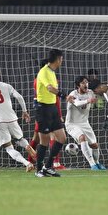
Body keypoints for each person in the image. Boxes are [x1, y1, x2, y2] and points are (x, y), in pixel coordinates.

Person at [0, 66, 36, 172]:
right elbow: (19, 97)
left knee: (9, 148)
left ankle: (27, 163)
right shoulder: (6, 86)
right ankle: (27, 146)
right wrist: (24, 111)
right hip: (12, 118)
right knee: (20, 139)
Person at [34, 49, 74, 177]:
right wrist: (64, 95)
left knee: (62, 138)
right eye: (61, 59)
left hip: (52, 108)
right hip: (43, 108)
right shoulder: (44, 71)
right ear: (58, 59)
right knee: (44, 141)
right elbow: (50, 88)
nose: (62, 61)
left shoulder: (52, 72)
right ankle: (39, 169)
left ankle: (48, 166)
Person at [28, 59, 66, 170]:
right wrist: (58, 113)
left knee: (42, 138)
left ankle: (38, 163)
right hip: (44, 110)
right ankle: (51, 164)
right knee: (45, 138)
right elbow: (53, 96)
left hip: (44, 109)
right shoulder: (43, 78)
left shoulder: (37, 79)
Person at [66, 76, 106, 170]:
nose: (86, 84)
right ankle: (92, 164)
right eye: (83, 83)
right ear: (78, 85)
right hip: (72, 124)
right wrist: (88, 101)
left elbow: (100, 91)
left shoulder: (91, 93)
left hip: (84, 123)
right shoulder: (73, 93)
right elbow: (77, 103)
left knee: (94, 145)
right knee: (82, 137)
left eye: (87, 82)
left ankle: (97, 163)